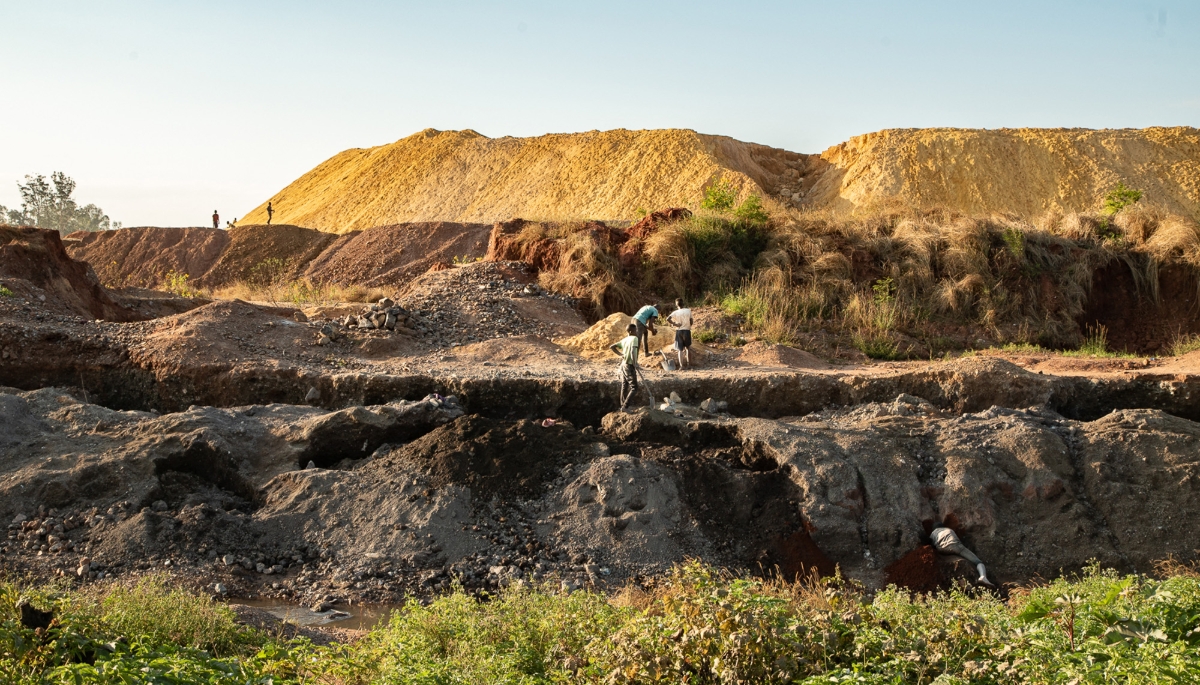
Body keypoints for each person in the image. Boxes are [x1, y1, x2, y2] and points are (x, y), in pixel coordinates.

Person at [609, 323, 641, 410]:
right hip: (629, 365)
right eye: (635, 330)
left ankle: (622, 406)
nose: (637, 332)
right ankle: (625, 406)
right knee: (634, 387)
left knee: (624, 385)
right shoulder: (634, 339)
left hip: (623, 365)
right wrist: (635, 363)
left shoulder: (625, 340)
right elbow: (632, 351)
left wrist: (621, 354)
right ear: (631, 331)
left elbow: (612, 347)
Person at [666, 298, 693, 370]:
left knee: (680, 350)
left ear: (676, 304)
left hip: (679, 331)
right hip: (687, 330)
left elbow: (667, 319)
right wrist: (689, 325)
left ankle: (681, 366)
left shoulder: (675, 312)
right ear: (683, 303)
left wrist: (674, 324)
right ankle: (689, 365)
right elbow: (691, 321)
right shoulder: (688, 311)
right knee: (688, 348)